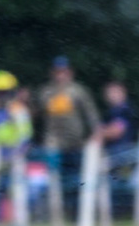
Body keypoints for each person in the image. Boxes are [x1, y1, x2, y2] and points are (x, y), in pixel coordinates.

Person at [38, 56, 101, 216]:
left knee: (78, 179)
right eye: (58, 72)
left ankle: (78, 213)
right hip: (54, 144)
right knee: (55, 180)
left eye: (64, 72)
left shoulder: (78, 91)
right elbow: (38, 116)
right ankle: (58, 213)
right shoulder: (46, 92)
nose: (61, 75)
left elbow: (90, 114)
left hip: (76, 144)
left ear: (70, 73)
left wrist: (96, 132)